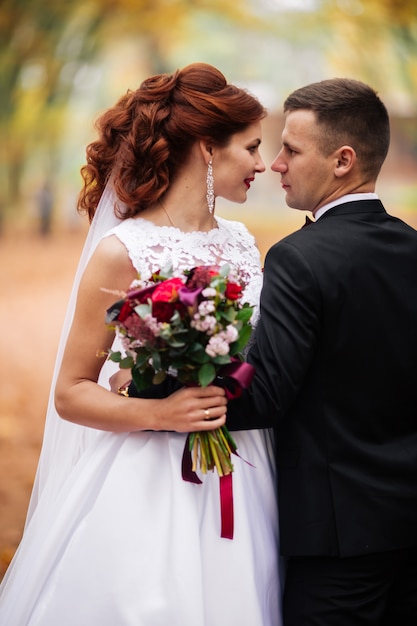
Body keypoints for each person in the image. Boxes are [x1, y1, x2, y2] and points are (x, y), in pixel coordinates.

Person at [0, 63, 283, 625]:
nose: (261, 163)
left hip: (246, 465)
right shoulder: (123, 249)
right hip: (152, 476)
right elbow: (71, 392)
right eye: (250, 148)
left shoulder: (243, 242)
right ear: (207, 147)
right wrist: (162, 411)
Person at [226, 77, 417, 624]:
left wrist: (159, 391)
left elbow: (263, 397)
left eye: (291, 148)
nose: (277, 164)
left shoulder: (299, 258)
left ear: (343, 160)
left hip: (337, 537)